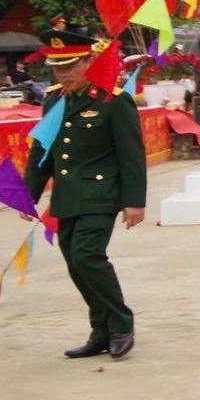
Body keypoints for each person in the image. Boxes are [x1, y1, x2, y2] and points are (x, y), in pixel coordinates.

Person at [24, 26, 148, 361]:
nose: (63, 74)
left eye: (71, 66)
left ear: (90, 61)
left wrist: (134, 201)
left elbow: (131, 155)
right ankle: (101, 330)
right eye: (57, 67)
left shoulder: (113, 99)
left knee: (87, 256)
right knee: (75, 263)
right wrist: (28, 194)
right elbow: (43, 150)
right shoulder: (54, 99)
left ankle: (121, 323)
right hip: (67, 195)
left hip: (101, 193)